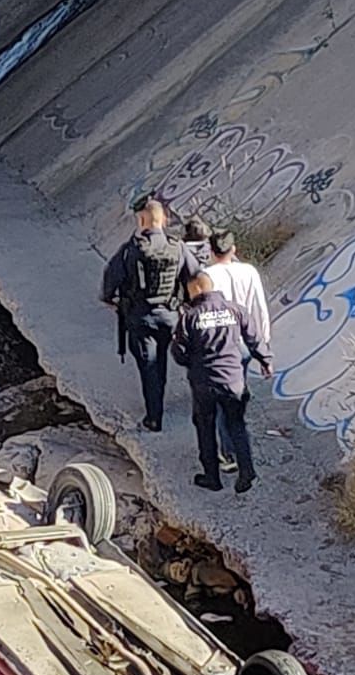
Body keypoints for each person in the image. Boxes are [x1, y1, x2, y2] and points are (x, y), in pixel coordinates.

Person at [99, 198, 200, 431]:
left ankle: (154, 417)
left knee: (149, 365)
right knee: (161, 359)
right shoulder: (177, 247)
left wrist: (110, 300)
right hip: (170, 317)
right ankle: (173, 400)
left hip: (141, 318)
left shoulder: (131, 250)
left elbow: (110, 279)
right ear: (163, 220)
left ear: (142, 220)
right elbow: (195, 276)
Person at [171, 273, 271, 493]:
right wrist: (266, 361)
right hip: (233, 380)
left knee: (205, 427)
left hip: (204, 382)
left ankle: (212, 477)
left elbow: (179, 353)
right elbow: (254, 339)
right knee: (236, 425)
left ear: (196, 289)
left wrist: (193, 363)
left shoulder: (190, 317)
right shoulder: (235, 310)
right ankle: (246, 472)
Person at [202, 230, 272, 474]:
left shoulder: (206, 276)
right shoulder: (249, 272)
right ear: (233, 250)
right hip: (244, 344)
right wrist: (264, 348)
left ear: (211, 251)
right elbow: (259, 308)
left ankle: (229, 452)